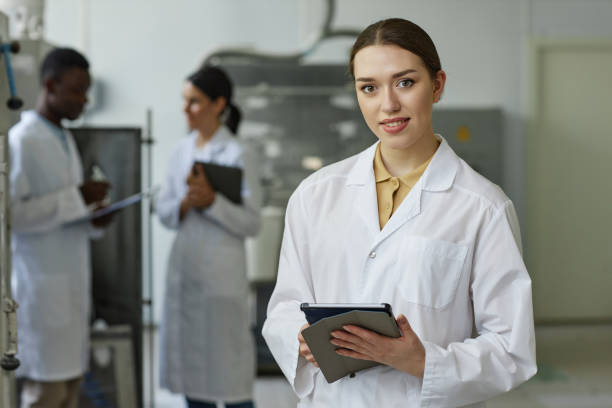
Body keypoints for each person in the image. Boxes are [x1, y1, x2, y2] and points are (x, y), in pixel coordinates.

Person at [262, 18, 537, 407]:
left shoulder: (483, 207)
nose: (387, 104)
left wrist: (422, 361)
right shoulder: (315, 195)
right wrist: (300, 338)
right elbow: (285, 306)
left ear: (437, 85)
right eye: (369, 88)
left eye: (405, 82)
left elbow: (511, 349)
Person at [9, 47, 112, 408]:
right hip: (40, 294)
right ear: (50, 86)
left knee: (69, 393)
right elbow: (12, 217)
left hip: (70, 294)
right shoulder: (21, 141)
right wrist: (76, 198)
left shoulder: (65, 137)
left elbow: (64, 215)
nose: (84, 100)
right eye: (76, 90)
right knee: (45, 396)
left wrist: (93, 218)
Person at [157, 65, 261, 408]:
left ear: (219, 104)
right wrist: (186, 203)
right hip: (186, 272)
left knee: (230, 381)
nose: (186, 110)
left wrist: (212, 202)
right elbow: (165, 210)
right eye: (184, 101)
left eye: (195, 102)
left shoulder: (238, 154)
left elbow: (252, 223)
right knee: (193, 381)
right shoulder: (179, 152)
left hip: (221, 280)